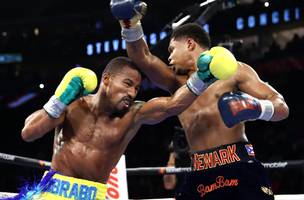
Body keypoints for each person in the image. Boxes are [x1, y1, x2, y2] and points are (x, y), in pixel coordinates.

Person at [111, 1, 290, 199]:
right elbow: (142, 56)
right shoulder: (176, 83)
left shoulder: (235, 71)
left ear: (189, 43)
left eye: (172, 50)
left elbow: (281, 105)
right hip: (199, 173)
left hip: (239, 166)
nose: (169, 58)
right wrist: (130, 24)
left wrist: (257, 107)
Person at [17, 53, 237, 200]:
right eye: (127, 84)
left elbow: (171, 105)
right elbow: (29, 132)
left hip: (93, 195)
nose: (132, 94)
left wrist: (201, 79)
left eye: (137, 88)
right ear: (106, 80)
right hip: (52, 191)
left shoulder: (133, 115)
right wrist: (60, 99)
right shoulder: (73, 103)